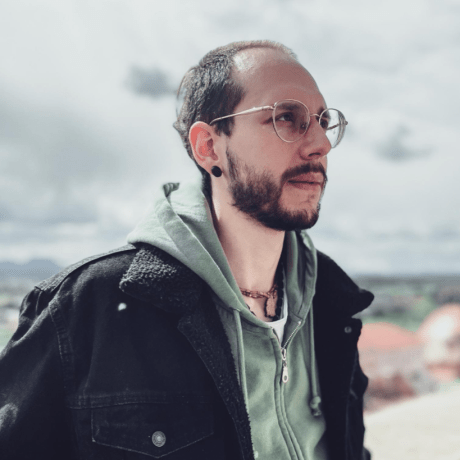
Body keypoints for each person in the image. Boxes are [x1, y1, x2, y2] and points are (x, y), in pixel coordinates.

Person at [0, 40, 373, 460]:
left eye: (324, 121)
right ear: (209, 147)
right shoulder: (84, 309)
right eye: (287, 117)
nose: (320, 143)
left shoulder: (333, 304)